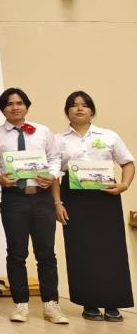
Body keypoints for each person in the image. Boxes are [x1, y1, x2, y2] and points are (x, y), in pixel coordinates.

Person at [0, 87, 68, 324]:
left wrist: (51, 175)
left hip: (42, 198)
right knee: (16, 253)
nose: (15, 107)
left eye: (19, 103)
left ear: (27, 106)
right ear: (3, 109)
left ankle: (51, 305)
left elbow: (55, 158)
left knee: (46, 253)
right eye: (9, 104)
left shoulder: (43, 131)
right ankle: (20, 304)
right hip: (14, 198)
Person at [54, 91, 133, 322]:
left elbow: (128, 163)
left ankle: (113, 303)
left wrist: (124, 185)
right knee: (80, 249)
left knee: (111, 249)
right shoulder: (58, 139)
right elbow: (53, 174)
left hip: (105, 197)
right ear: (67, 111)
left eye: (85, 105)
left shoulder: (109, 135)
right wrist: (57, 203)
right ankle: (88, 303)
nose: (79, 108)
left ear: (92, 110)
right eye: (74, 105)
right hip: (73, 198)